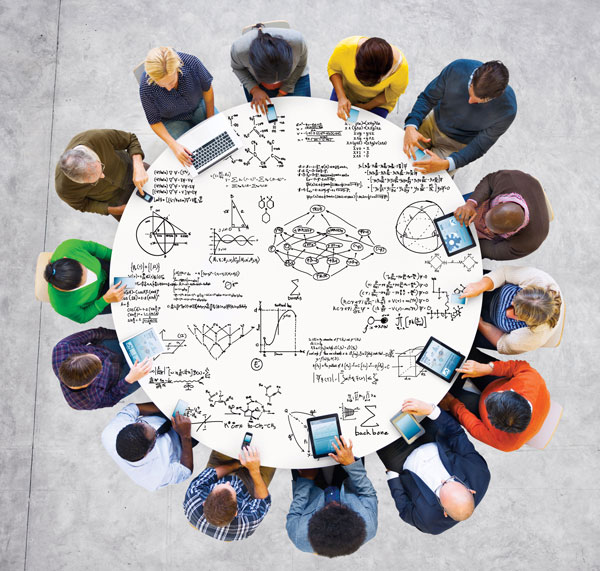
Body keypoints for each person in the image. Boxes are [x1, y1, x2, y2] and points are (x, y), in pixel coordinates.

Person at [378, 398, 490, 535]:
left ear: (444, 510)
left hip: (400, 458)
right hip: (432, 437)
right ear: (470, 490)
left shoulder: (429, 523)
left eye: (441, 487)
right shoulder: (480, 473)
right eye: (451, 480)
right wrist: (431, 411)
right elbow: (456, 434)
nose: (443, 480)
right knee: (406, 401)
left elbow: (405, 510)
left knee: (376, 421)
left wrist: (393, 476)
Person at [403, 59, 517, 175]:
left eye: (478, 101)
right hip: (432, 124)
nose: (470, 101)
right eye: (470, 91)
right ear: (472, 77)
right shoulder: (457, 68)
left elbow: (479, 146)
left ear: (496, 96)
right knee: (402, 159)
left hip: (455, 146)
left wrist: (447, 164)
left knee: (428, 181)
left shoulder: (507, 109)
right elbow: (428, 98)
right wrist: (411, 125)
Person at [286, 436, 377, 557]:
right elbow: (367, 493)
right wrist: (351, 464)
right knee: (344, 438)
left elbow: (296, 512)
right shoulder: (368, 527)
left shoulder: (298, 536)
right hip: (349, 479)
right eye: (341, 506)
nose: (332, 501)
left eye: (327, 507)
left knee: (299, 444)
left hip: (310, 489)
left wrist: (306, 480)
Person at [445, 350, 551, 452]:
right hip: (497, 382)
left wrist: (452, 404)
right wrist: (486, 368)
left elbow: (475, 427)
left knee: (447, 392)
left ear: (494, 423)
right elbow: (516, 366)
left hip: (481, 407)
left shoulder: (507, 444)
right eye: (501, 393)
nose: (488, 398)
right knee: (467, 355)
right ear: (513, 393)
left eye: (489, 409)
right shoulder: (531, 381)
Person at [140, 47, 215, 167]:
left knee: (217, 136)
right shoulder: (146, 87)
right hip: (173, 120)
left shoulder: (192, 62)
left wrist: (210, 118)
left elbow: (207, 88)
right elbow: (154, 121)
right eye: (162, 85)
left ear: (178, 67)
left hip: (198, 105)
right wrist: (173, 145)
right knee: (192, 158)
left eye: (171, 82)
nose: (168, 88)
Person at [462, 265, 563, 354]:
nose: (508, 312)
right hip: (495, 288)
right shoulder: (539, 279)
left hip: (491, 327)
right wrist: (481, 286)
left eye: (516, 315)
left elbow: (502, 342)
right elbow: (504, 273)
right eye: (514, 300)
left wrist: (480, 324)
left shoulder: (532, 338)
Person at [454, 170, 550, 260]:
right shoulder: (510, 179)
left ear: (511, 232)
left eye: (490, 230)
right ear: (499, 204)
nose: (483, 226)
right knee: (451, 210)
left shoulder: (529, 242)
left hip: (495, 240)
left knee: (457, 252)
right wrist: (471, 204)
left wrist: (467, 242)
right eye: (484, 217)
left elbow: (492, 250)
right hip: (490, 199)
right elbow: (489, 181)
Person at [183, 446, 274, 541]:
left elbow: (212, 474)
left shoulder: (193, 497)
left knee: (229, 438)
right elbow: (263, 500)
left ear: (204, 502)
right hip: (250, 485)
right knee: (273, 453)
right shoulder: (245, 523)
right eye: (231, 488)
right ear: (236, 513)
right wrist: (254, 470)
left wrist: (239, 463)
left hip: (222, 470)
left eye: (221, 485)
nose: (228, 483)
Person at [56, 129, 149, 219]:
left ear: (92, 155)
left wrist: (138, 166)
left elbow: (130, 139)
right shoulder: (64, 189)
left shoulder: (96, 137)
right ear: (77, 182)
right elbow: (82, 204)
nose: (103, 176)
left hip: (133, 169)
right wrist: (114, 210)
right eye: (95, 181)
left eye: (101, 167)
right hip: (116, 200)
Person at [52, 327, 152, 410]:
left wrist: (122, 335)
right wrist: (130, 379)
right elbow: (112, 398)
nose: (100, 358)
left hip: (107, 348)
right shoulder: (86, 401)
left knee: (144, 336)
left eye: (91, 354)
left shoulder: (62, 348)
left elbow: (94, 333)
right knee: (153, 370)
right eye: (100, 365)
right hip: (120, 380)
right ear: (91, 381)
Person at [101, 402, 193, 491]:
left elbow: (133, 408)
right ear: (147, 453)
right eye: (155, 436)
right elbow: (185, 471)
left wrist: (168, 407)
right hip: (183, 439)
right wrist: (185, 435)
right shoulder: (155, 477)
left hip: (162, 413)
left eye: (142, 422)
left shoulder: (110, 432)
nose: (154, 427)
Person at [231, 24, 311, 114]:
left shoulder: (298, 42)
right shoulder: (239, 50)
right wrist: (254, 89)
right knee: (264, 116)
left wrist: (284, 90)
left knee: (302, 112)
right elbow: (237, 68)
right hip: (255, 82)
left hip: (295, 75)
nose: (274, 85)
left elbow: (300, 65)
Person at [45, 239, 126, 323]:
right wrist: (105, 300)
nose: (91, 275)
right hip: (101, 298)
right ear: (67, 290)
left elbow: (95, 248)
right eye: (84, 282)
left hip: (104, 268)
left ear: (67, 258)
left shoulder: (69, 247)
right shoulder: (62, 306)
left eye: (85, 268)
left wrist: (117, 259)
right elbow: (83, 317)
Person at [327, 36, 409, 119]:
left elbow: (394, 92)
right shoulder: (345, 48)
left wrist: (367, 106)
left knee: (367, 130)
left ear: (386, 73)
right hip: (345, 91)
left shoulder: (401, 68)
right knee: (333, 121)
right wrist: (341, 97)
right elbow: (334, 69)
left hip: (377, 102)